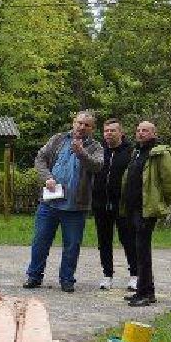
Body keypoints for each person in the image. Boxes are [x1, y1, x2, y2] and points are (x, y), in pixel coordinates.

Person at [23, 110, 105, 292]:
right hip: (50, 203)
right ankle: (34, 276)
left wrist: (81, 153)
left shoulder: (96, 147)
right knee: (40, 241)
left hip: (76, 206)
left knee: (72, 245)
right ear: (73, 122)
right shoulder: (58, 139)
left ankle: (67, 279)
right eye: (79, 123)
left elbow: (98, 166)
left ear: (92, 128)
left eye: (87, 125)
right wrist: (47, 178)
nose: (82, 127)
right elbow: (40, 159)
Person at [124, 119, 171, 307]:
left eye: (145, 130)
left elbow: (170, 182)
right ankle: (146, 290)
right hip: (133, 207)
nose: (140, 133)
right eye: (138, 130)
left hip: (147, 209)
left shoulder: (159, 154)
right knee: (138, 251)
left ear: (154, 133)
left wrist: (163, 204)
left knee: (143, 252)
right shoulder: (136, 152)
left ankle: (144, 294)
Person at [91, 118, 137, 292]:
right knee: (104, 241)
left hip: (123, 204)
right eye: (106, 131)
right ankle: (107, 275)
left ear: (121, 132)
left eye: (112, 131)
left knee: (128, 240)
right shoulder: (98, 151)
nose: (109, 134)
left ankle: (135, 275)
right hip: (101, 203)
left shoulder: (130, 152)